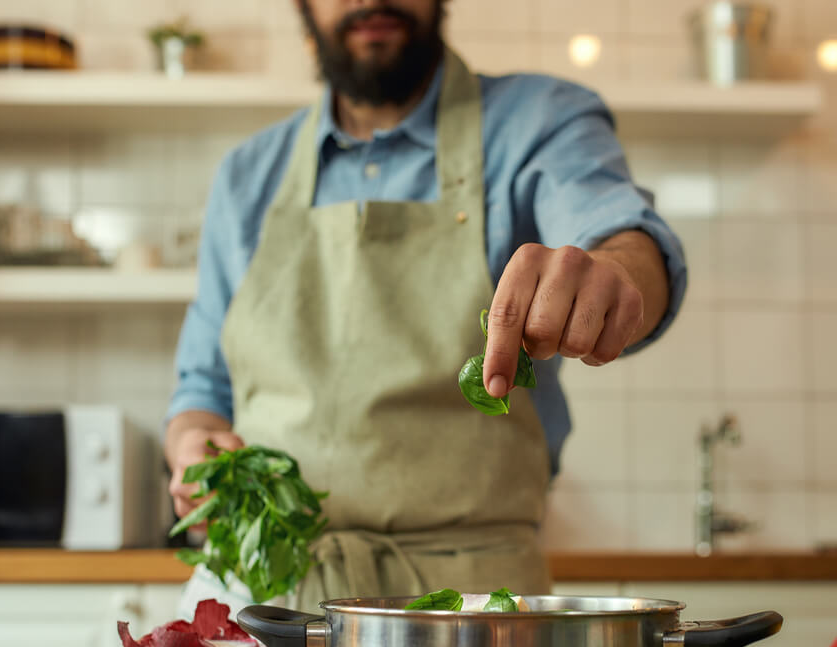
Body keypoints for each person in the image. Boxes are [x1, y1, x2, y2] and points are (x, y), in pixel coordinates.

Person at [166, 0, 687, 614]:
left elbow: (621, 233)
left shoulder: (541, 121)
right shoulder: (247, 175)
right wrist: (193, 443)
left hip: (477, 613)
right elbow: (203, 387)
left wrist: (617, 274)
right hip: (263, 601)